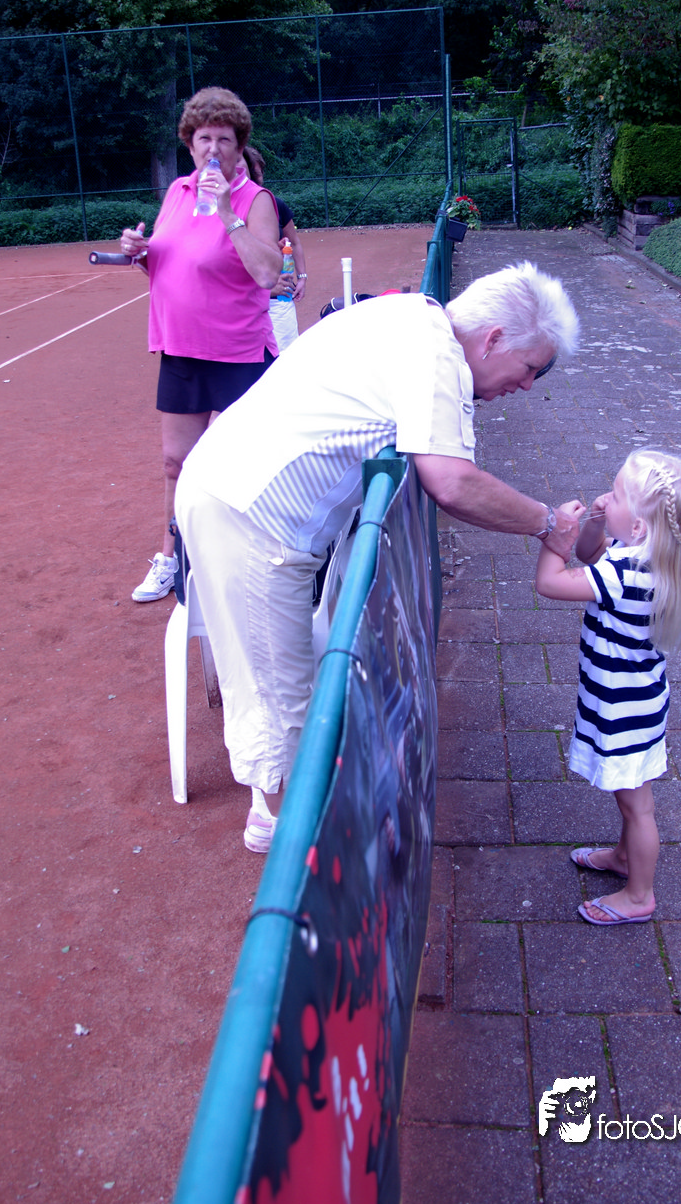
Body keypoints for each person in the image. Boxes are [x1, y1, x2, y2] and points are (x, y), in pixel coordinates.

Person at [174, 262, 582, 852]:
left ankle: (282, 814)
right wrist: (549, 523)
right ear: (494, 338)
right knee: (280, 695)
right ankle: (292, 840)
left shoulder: (416, 320)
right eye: (529, 368)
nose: (525, 386)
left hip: (239, 495)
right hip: (249, 513)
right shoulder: (436, 353)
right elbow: (452, 482)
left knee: (283, 679)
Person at [120, 87, 282, 603]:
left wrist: (228, 213)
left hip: (238, 353)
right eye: (204, 138)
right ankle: (171, 558)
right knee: (177, 464)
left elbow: (267, 273)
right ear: (190, 144)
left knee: (244, 465)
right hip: (181, 349)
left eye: (224, 140)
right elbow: (168, 262)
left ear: (239, 148)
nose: (213, 149)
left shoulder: (255, 200)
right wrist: (139, 252)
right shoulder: (177, 192)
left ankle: (250, 562)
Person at [534, 449, 681, 925]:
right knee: (630, 798)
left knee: (637, 807)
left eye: (614, 495)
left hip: (622, 712)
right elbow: (592, 555)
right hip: (636, 702)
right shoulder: (645, 560)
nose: (604, 498)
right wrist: (593, 522)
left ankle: (639, 896)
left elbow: (550, 583)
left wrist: (555, 535)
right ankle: (625, 858)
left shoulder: (622, 574)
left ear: (638, 527)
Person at [243, 145, 307, 352]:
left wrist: (302, 277)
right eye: (250, 173)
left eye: (258, 173)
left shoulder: (275, 204)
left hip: (279, 300)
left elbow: (294, 242)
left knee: (285, 358)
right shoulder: (225, 210)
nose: (255, 179)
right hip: (243, 305)